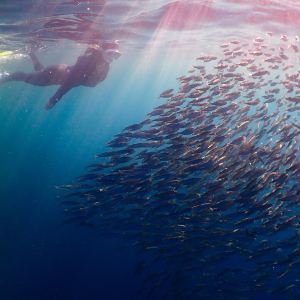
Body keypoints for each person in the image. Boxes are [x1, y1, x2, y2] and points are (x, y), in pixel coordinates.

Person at [0, 40, 121, 110]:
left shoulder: (104, 66)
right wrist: (53, 100)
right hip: (54, 74)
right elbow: (70, 82)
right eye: (110, 53)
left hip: (59, 72)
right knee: (29, 78)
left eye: (116, 55)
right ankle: (5, 77)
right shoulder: (86, 64)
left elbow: (90, 82)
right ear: (101, 51)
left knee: (39, 73)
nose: (112, 58)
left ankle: (30, 52)